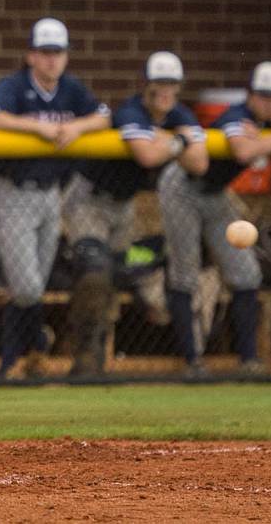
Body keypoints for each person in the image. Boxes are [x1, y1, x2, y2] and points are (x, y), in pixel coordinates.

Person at [158, 61, 271, 375]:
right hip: (181, 187)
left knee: (246, 274)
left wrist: (270, 141)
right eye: (262, 96)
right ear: (250, 95)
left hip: (216, 194)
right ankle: (191, 362)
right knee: (185, 274)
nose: (268, 103)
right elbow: (243, 152)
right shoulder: (237, 115)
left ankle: (248, 360)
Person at [0, 18, 111, 380]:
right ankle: (25, 348)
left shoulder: (71, 89)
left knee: (35, 283)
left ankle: (21, 358)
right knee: (27, 285)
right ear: (31, 55)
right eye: (45, 52)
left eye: (58, 53)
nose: (52, 60)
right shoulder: (16, 86)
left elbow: (103, 116)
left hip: (51, 194)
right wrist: (37, 126)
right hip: (13, 192)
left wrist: (76, 127)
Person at [63, 52, 209, 376]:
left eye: (172, 84)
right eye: (159, 84)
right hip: (89, 198)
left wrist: (171, 140)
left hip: (125, 205)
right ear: (147, 85)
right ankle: (86, 357)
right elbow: (146, 155)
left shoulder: (179, 114)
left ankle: (100, 355)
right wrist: (179, 142)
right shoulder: (132, 110)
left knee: (115, 274)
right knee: (93, 270)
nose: (165, 92)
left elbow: (200, 163)